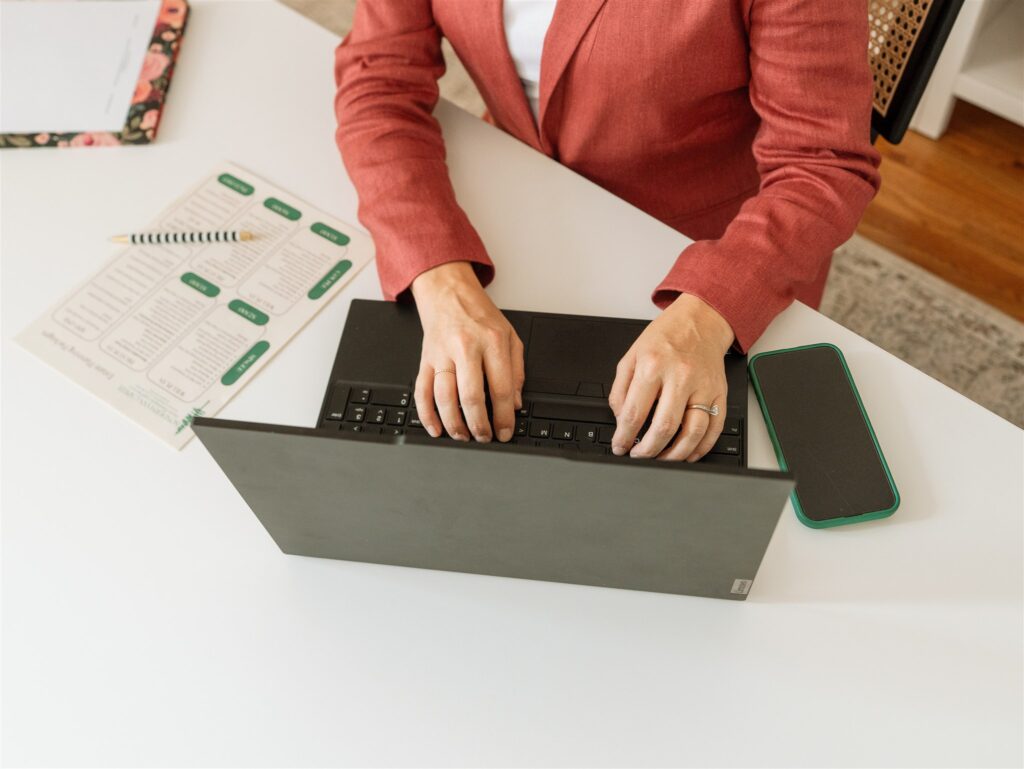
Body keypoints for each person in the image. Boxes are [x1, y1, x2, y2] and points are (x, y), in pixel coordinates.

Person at [333, 0, 880, 461]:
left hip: (712, 256)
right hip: (512, 204)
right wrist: (439, 277)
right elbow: (378, 81)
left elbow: (822, 165)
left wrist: (707, 318)